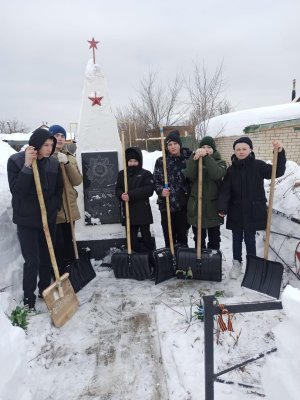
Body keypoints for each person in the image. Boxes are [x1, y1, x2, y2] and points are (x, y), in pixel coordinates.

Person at [7, 128, 63, 311]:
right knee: (32, 260)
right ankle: (28, 297)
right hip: (27, 221)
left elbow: (57, 191)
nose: (49, 149)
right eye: (46, 145)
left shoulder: (53, 164)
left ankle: (45, 289)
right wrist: (27, 166)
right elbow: (18, 192)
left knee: (47, 257)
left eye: (51, 145)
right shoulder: (15, 162)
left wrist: (51, 209)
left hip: (48, 219)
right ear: (35, 145)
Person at [217, 136, 286, 279]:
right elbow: (225, 191)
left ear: (250, 150)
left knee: (250, 239)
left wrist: (279, 153)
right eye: (238, 149)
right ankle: (237, 264)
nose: (241, 151)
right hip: (236, 210)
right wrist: (222, 207)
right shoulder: (231, 170)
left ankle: (252, 265)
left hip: (252, 210)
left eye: (244, 149)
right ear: (234, 151)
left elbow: (277, 171)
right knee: (236, 238)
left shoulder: (259, 166)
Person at [48, 124, 82, 275]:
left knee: (69, 242)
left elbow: (77, 181)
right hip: (56, 209)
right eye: (56, 136)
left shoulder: (69, 157)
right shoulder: (46, 158)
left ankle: (72, 272)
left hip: (70, 206)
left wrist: (67, 163)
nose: (60, 139)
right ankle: (59, 273)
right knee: (58, 244)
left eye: (62, 136)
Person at [183, 136, 226, 250]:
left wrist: (206, 157)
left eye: (209, 147)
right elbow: (190, 174)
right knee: (199, 238)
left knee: (214, 238)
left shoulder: (220, 162)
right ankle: (200, 261)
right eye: (203, 147)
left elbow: (216, 174)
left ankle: (212, 260)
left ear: (214, 150)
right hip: (196, 206)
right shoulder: (194, 161)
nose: (205, 149)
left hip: (212, 207)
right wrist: (194, 158)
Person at [153, 130, 192, 247]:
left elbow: (193, 181)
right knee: (169, 236)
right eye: (169, 145)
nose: (173, 147)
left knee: (182, 236)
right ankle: (170, 260)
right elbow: (155, 181)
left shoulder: (188, 160)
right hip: (166, 205)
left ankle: (182, 261)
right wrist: (161, 190)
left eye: (175, 144)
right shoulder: (161, 161)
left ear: (180, 144)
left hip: (182, 205)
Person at [115, 147, 154, 254]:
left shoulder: (146, 174)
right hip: (129, 212)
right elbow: (118, 188)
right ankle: (138, 259)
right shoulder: (122, 174)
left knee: (147, 238)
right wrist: (121, 195)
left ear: (139, 161)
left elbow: (149, 189)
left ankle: (150, 258)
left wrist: (130, 195)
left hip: (143, 212)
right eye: (130, 161)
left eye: (135, 161)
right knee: (131, 241)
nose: (132, 163)